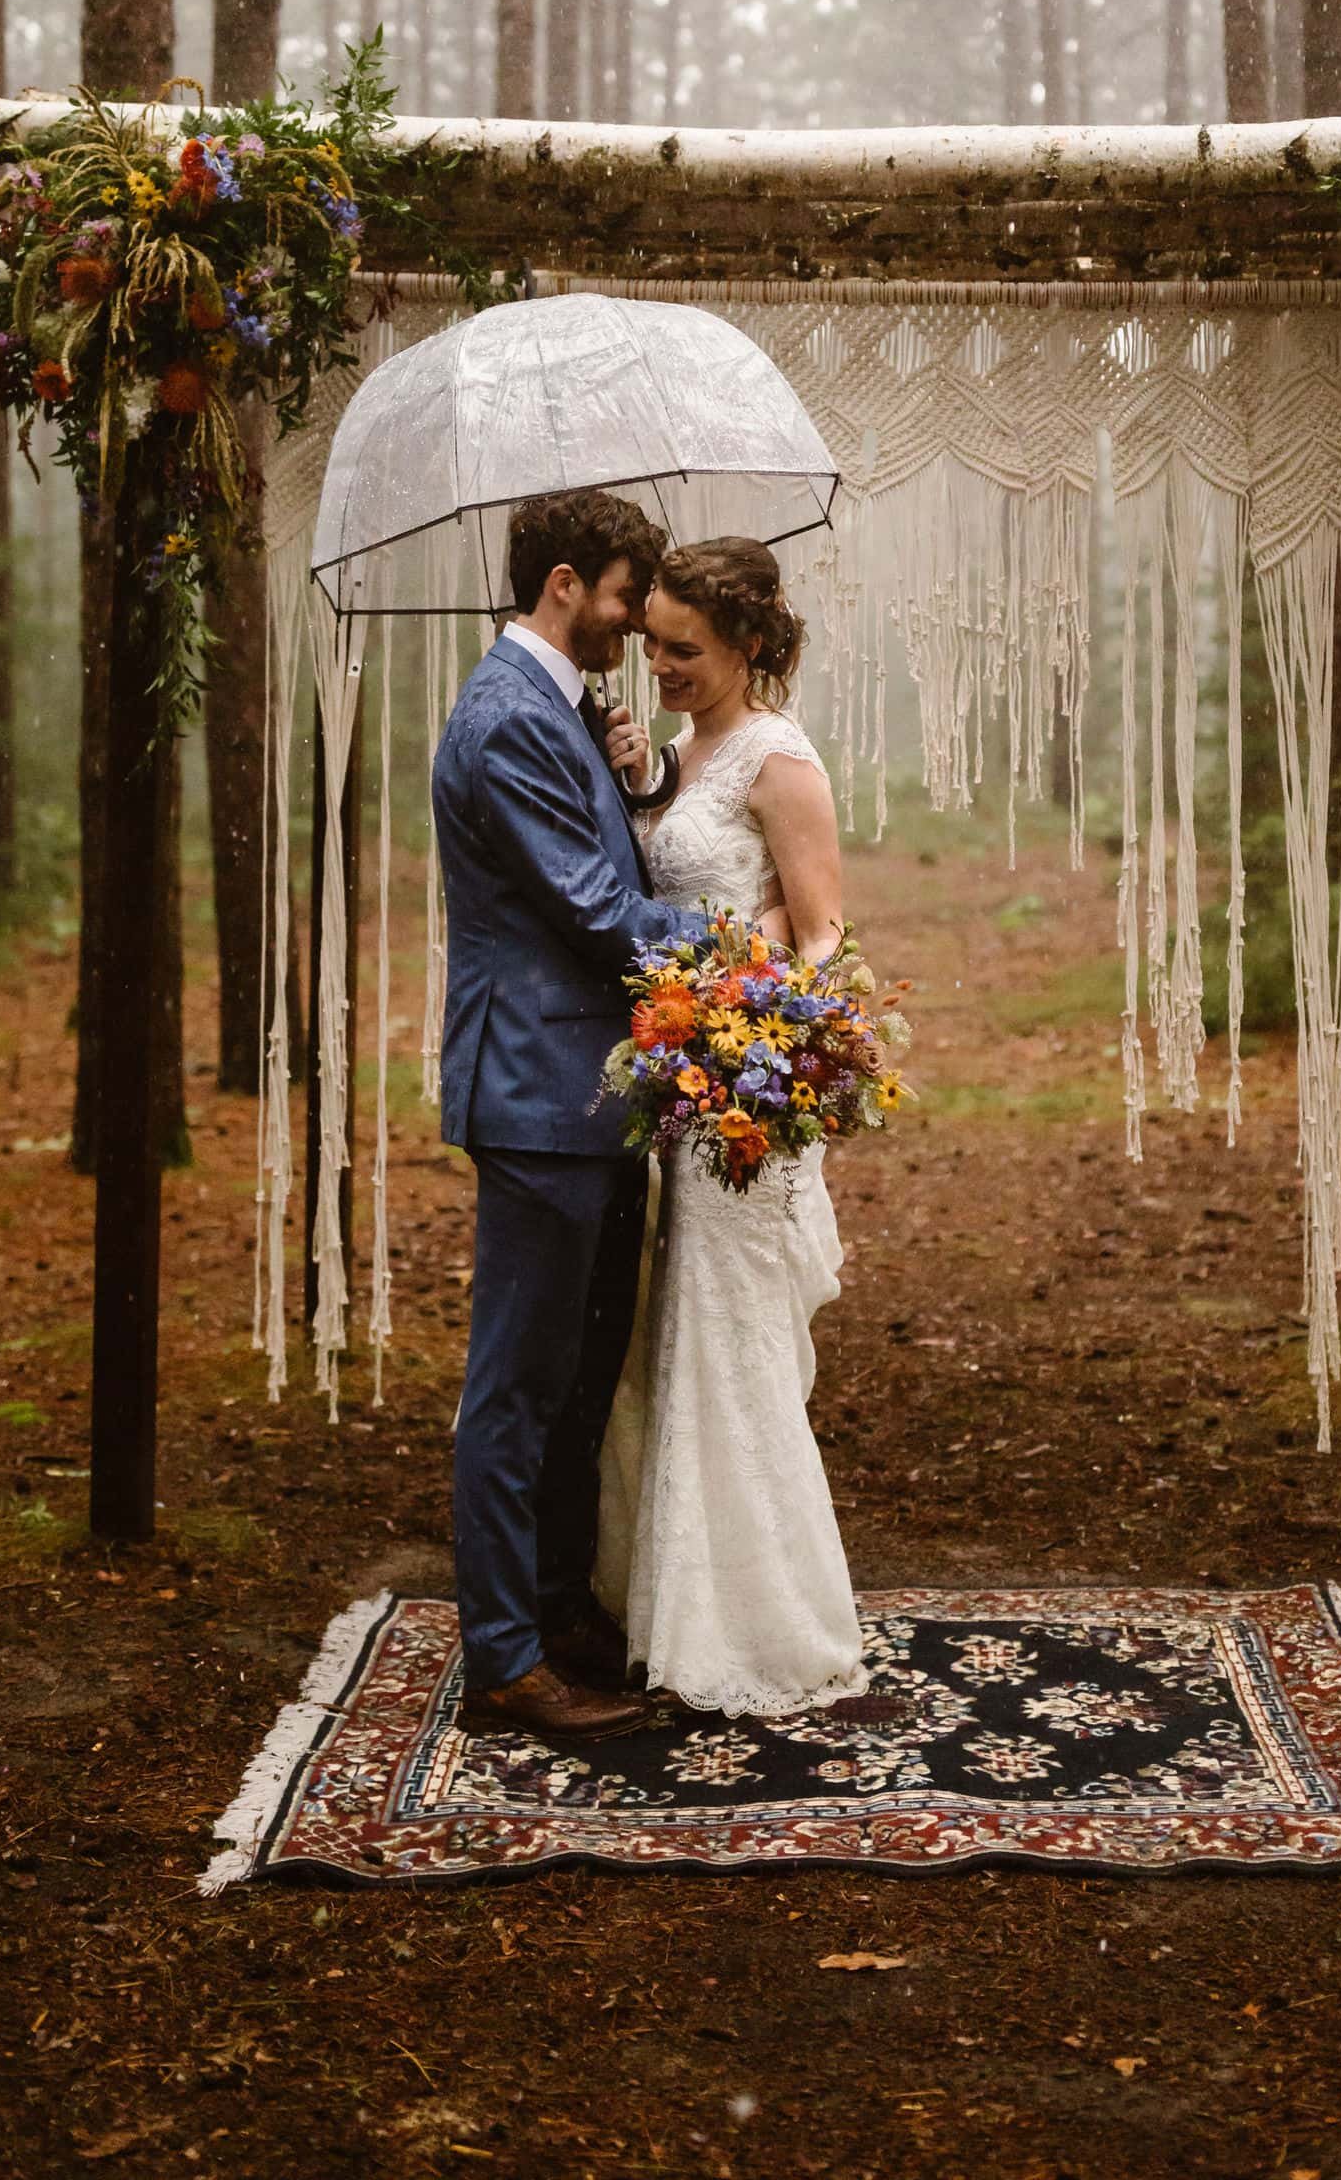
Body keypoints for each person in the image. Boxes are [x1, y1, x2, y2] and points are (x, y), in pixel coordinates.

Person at [432, 486, 704, 1748]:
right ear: (559, 586)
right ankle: (502, 1659)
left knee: (580, 1377)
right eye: (615, 600)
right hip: (537, 1094)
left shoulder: (557, 711)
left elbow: (598, 864)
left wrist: (634, 788)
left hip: (588, 1093)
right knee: (517, 1387)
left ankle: (551, 1611)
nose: (627, 626)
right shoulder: (502, 721)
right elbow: (594, 915)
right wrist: (735, 947)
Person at [596, 534, 869, 1718]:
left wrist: (752, 1020)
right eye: (651, 645)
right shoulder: (677, 751)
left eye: (682, 650)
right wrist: (629, 780)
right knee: (663, 1341)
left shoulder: (778, 760)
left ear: (747, 645)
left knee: (726, 1344)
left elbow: (823, 936)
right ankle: (654, 1598)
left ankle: (758, 1623)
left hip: (740, 1092)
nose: (658, 665)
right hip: (672, 1090)